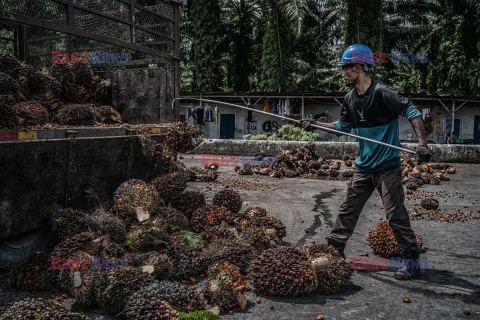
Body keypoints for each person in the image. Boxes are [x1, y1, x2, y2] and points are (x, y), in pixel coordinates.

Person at [300, 44, 431, 280]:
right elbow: (342, 128)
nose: (343, 73)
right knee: (348, 210)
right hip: (363, 167)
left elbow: (412, 112)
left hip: (388, 166)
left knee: (394, 214)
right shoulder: (350, 99)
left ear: (359, 67)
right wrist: (316, 124)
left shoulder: (383, 93)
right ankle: (335, 248)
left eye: (346, 68)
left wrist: (422, 144)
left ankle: (412, 259)